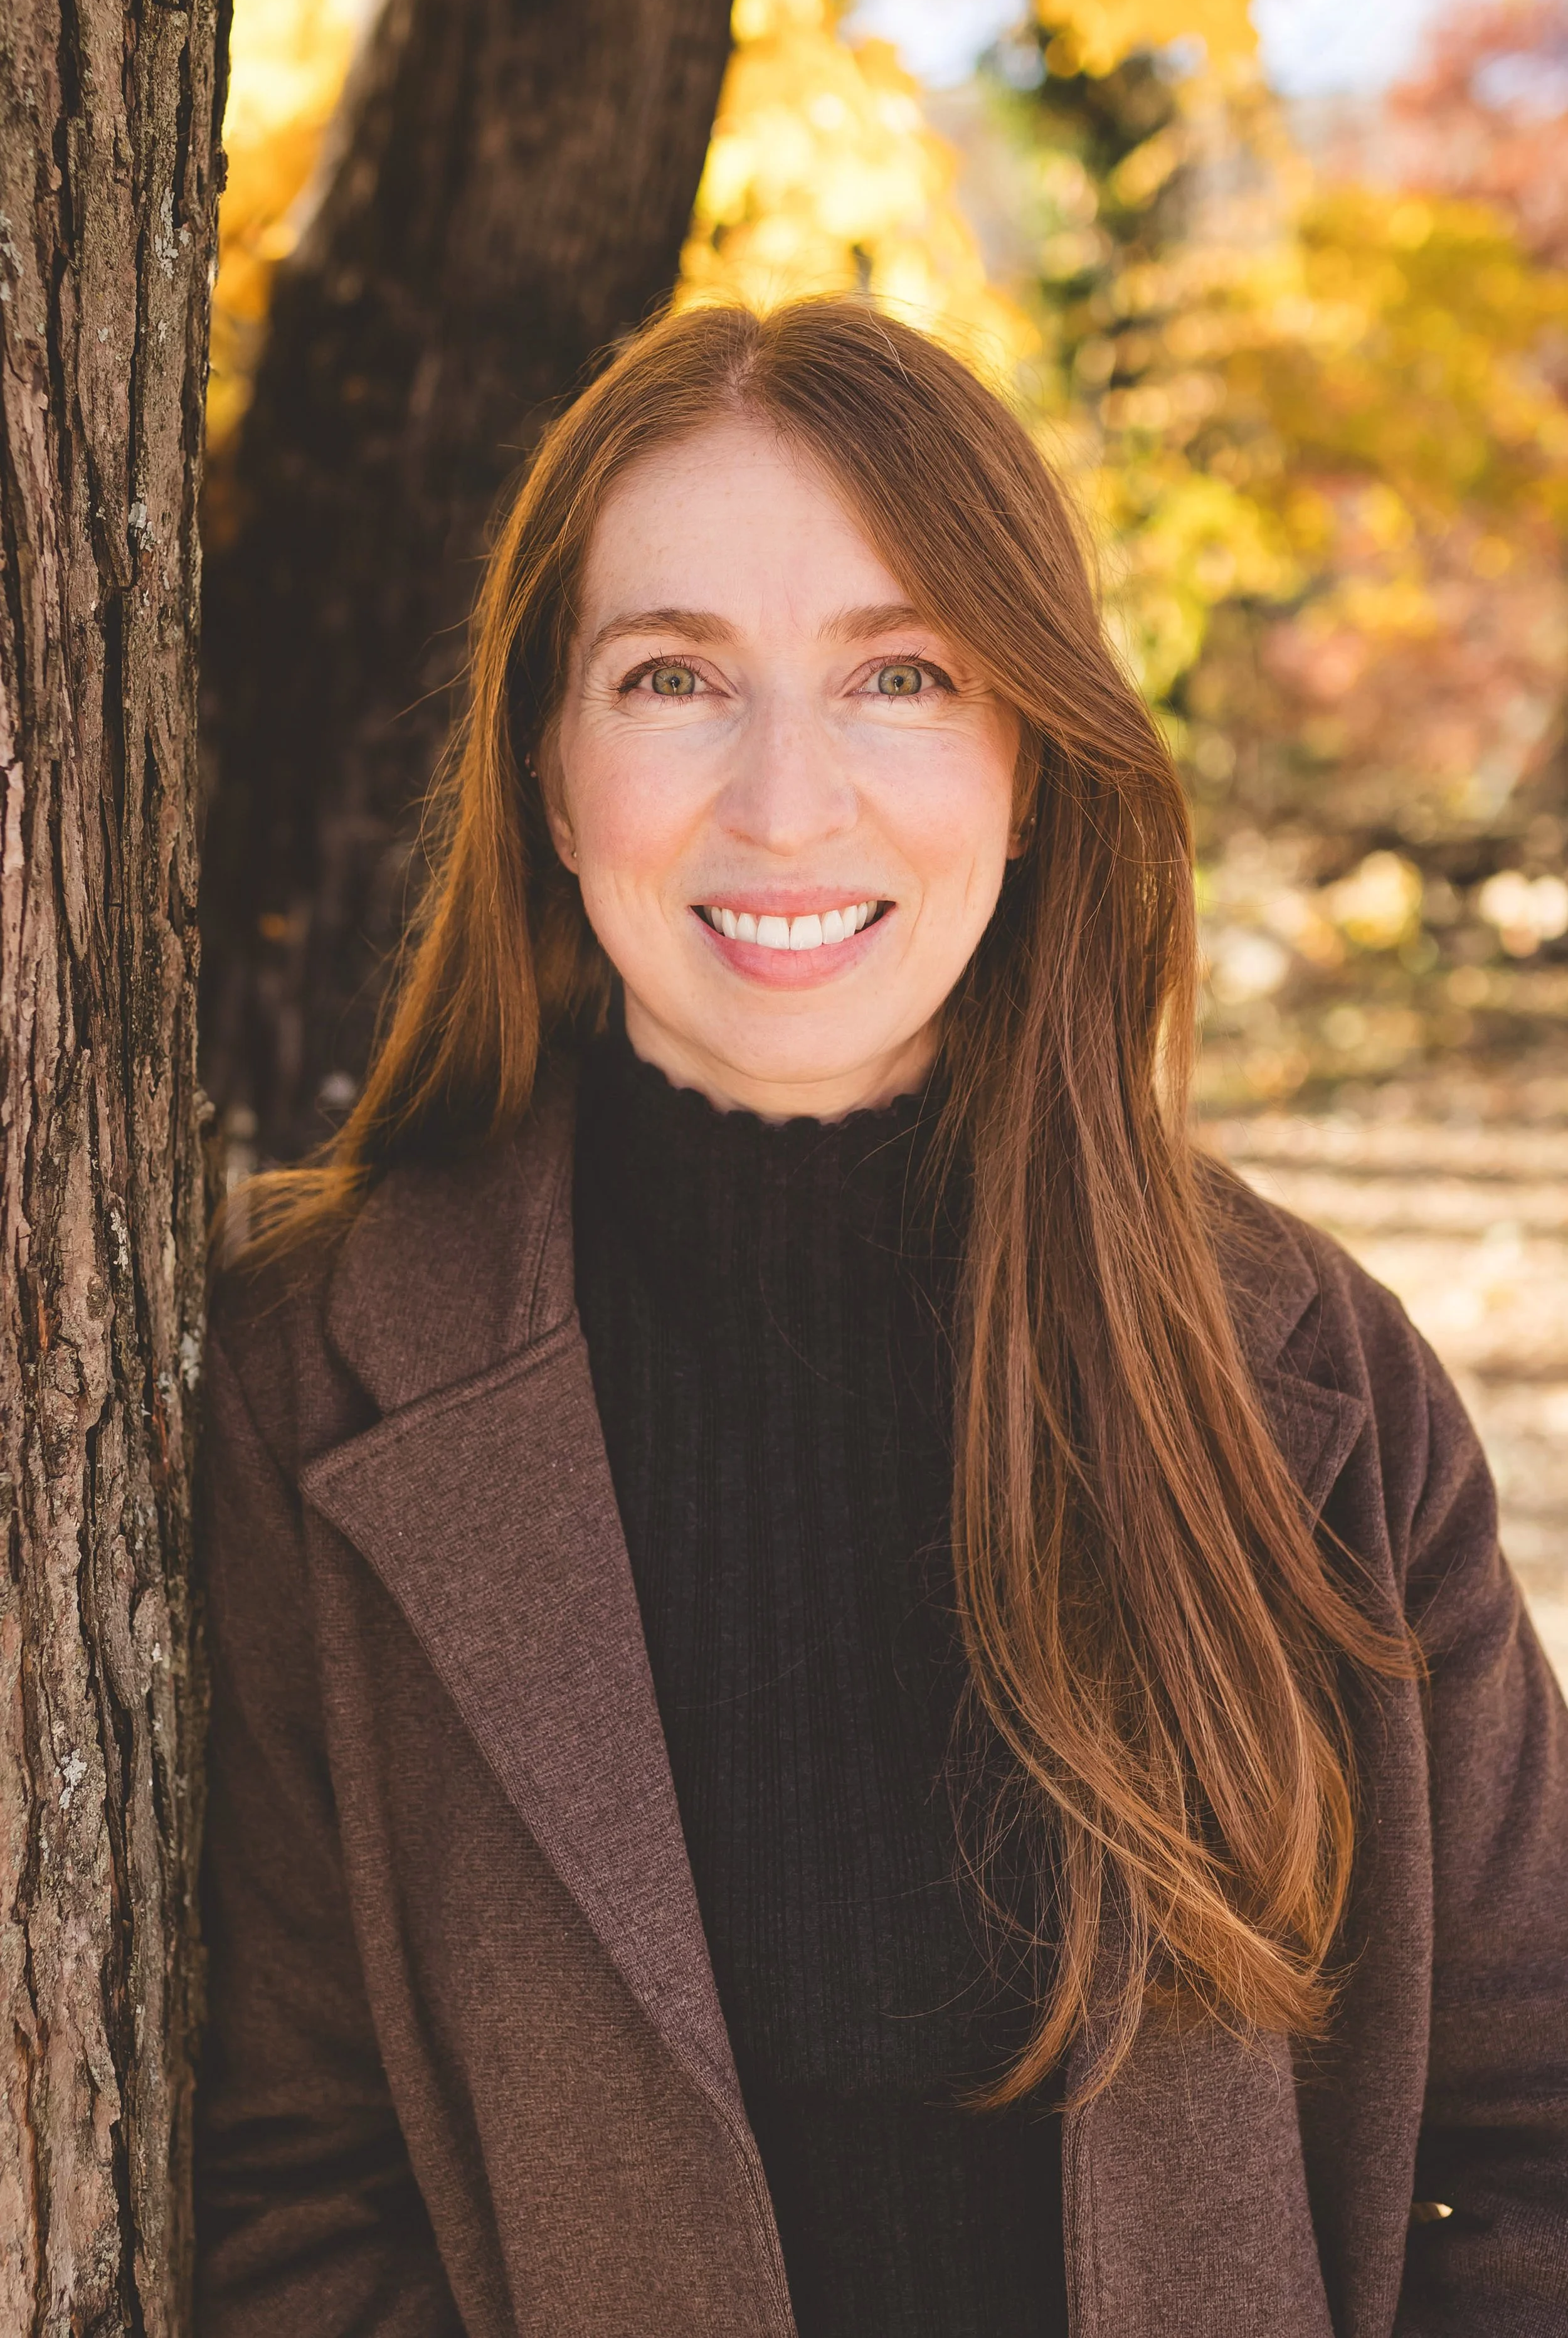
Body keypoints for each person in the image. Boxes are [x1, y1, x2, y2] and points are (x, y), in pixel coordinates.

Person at [194, 299, 1568, 2338]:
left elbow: (1531, 2132)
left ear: (1030, 765)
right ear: (547, 775)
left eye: (900, 675)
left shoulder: (1312, 1377)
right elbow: (269, 2195)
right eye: (672, 678)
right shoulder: (301, 1381)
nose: (783, 801)